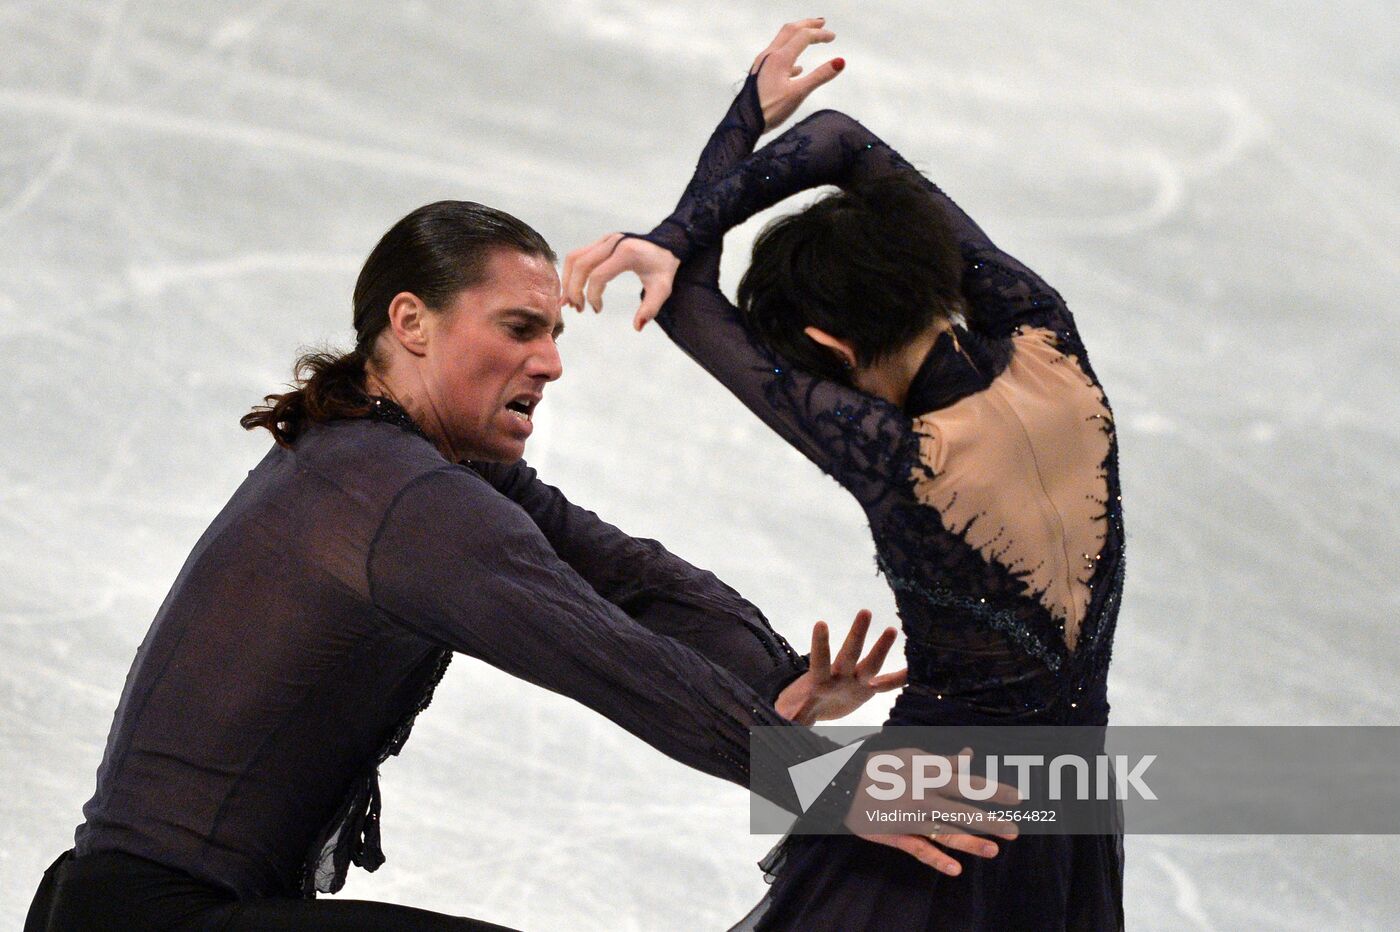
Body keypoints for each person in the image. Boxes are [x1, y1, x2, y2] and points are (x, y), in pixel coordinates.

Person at [22, 195, 1003, 931]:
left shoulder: (420, 466)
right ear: (410, 323)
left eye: (553, 333)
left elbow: (636, 580)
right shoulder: (398, 497)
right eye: (518, 329)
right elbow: (602, 651)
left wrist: (778, 682)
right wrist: (815, 776)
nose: (550, 362)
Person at [566, 18, 1127, 931]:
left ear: (829, 345)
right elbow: (842, 142)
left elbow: (685, 299)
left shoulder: (900, 457)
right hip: (1067, 831)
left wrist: (701, 188)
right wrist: (746, 128)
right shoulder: (1051, 340)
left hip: (921, 828)